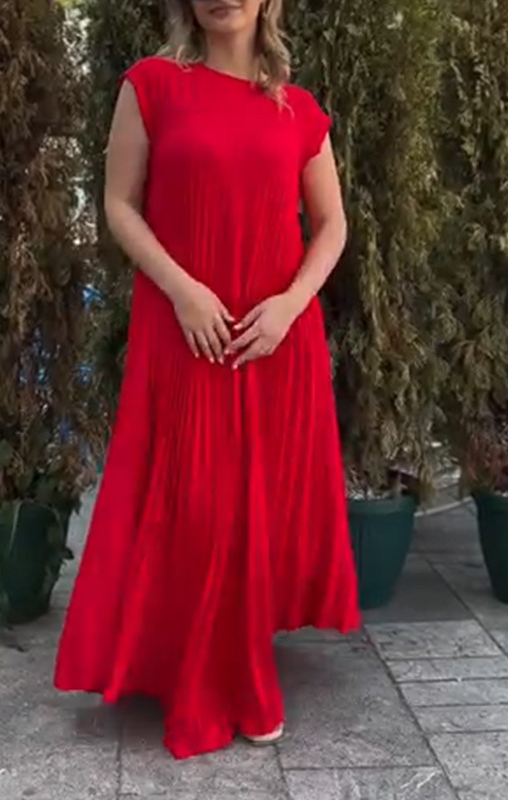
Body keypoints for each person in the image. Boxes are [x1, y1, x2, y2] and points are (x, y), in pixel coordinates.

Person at [54, 0, 360, 759]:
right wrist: (181, 289)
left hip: (272, 338)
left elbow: (331, 226)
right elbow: (119, 205)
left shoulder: (298, 108)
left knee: (254, 509)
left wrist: (291, 306)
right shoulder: (152, 85)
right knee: (197, 505)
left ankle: (242, 665)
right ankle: (207, 676)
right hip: (184, 330)